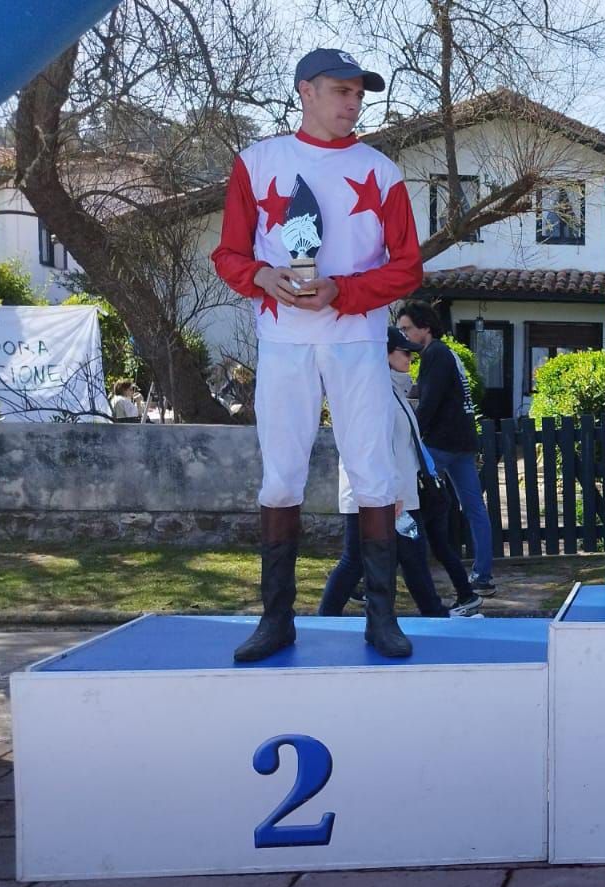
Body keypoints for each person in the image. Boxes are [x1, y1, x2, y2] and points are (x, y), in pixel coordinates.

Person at [211, 48, 423, 661]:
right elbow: (228, 254)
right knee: (280, 475)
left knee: (374, 472)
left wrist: (344, 292)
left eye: (360, 94)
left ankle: (381, 618)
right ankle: (276, 618)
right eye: (340, 90)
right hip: (283, 342)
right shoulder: (257, 162)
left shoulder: (382, 171)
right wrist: (261, 278)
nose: (352, 103)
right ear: (305, 90)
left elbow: (407, 265)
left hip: (356, 340)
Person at [319, 327, 453, 619]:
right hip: (379, 496)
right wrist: (393, 493)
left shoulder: (393, 391)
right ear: (384, 354)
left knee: (411, 556)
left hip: (396, 495)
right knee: (358, 559)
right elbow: (376, 447)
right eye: (403, 352)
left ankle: (434, 612)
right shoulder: (376, 394)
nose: (409, 358)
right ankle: (326, 615)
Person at [396, 300, 497, 598]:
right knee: (474, 508)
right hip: (463, 441)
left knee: (404, 499)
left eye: (407, 329)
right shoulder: (445, 353)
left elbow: (429, 403)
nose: (403, 336)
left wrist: (410, 436)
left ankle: (385, 569)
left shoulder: (434, 355)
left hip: (442, 443)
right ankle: (483, 575)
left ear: (425, 328)